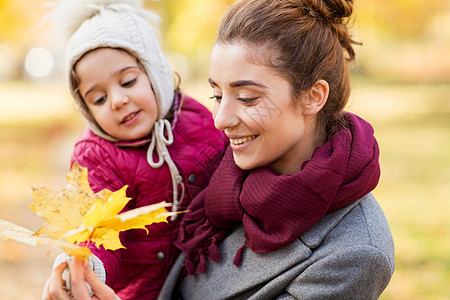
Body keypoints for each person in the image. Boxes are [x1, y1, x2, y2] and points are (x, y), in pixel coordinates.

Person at [44, 0, 395, 299]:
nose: (220, 119)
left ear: (313, 96)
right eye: (216, 95)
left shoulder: (354, 252)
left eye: (246, 98)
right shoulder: (226, 177)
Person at [41, 0, 227, 299]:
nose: (117, 100)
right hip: (140, 291)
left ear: (155, 72)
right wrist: (88, 269)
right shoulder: (96, 155)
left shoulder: (197, 118)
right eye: (98, 99)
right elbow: (97, 229)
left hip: (206, 277)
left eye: (128, 81)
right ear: (85, 110)